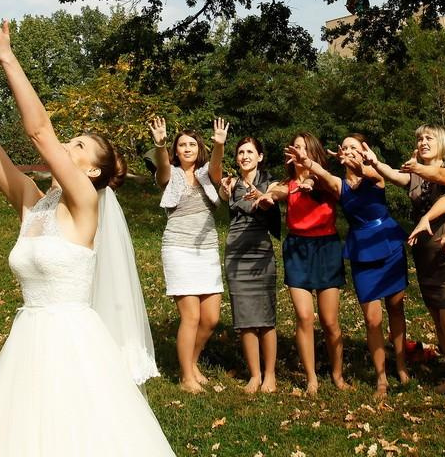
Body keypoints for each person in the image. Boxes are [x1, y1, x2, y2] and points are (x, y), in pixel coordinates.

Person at [0, 13, 194, 457]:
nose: (67, 147)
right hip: (27, 341)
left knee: (82, 447)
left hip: (73, 345)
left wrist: (6, 57)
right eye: (71, 141)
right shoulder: (32, 203)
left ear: (90, 170)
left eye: (78, 147)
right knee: (23, 448)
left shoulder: (85, 206)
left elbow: (40, 131)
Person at [306, 134, 410, 399]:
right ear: (339, 152)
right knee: (372, 318)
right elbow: (323, 176)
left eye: (355, 147)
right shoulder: (340, 185)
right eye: (346, 147)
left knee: (396, 308)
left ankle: (401, 365)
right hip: (362, 249)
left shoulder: (375, 174)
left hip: (388, 242)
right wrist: (308, 162)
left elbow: (366, 172)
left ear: (364, 151)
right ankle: (381, 378)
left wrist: (361, 163)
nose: (350, 151)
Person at [377, 125, 445, 411]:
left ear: (441, 143)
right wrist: (373, 161)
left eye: (429, 138)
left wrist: (417, 165)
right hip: (424, 257)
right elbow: (393, 175)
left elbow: (440, 176)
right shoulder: (415, 175)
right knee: (438, 319)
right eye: (419, 138)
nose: (423, 141)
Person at [254, 133, 348, 396]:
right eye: (295, 147)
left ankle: (337, 375)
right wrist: (268, 196)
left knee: (330, 321)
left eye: (304, 149)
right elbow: (279, 191)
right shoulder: (287, 183)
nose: (299, 152)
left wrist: (309, 176)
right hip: (297, 250)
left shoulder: (325, 181)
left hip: (326, 249)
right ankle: (311, 378)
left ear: (313, 153)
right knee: (305, 316)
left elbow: (321, 183)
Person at [149, 116, 228, 393]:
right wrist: (160, 144)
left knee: (210, 318)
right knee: (191, 317)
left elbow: (216, 169)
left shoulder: (208, 173)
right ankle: (186, 377)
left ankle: (191, 363)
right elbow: (161, 168)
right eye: (181, 144)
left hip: (205, 249)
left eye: (191, 144)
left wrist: (219, 146)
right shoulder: (169, 174)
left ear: (199, 148)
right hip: (178, 248)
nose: (186, 148)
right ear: (176, 150)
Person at [219, 137, 281, 394]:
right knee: (244, 318)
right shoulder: (230, 184)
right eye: (241, 152)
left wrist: (266, 198)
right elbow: (222, 194)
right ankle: (254, 375)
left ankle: (270, 376)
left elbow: (278, 195)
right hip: (236, 253)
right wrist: (226, 190)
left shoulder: (271, 182)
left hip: (260, 252)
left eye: (250, 152)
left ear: (260, 156)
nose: (245, 156)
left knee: (265, 318)